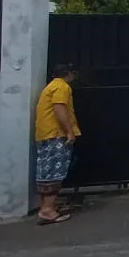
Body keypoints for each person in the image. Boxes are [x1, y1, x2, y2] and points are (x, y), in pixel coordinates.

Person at [34, 63, 81, 225]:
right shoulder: (62, 87)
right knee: (55, 171)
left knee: (46, 171)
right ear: (69, 73)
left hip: (46, 134)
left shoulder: (51, 87)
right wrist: (69, 131)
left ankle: (47, 206)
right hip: (56, 134)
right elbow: (60, 109)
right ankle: (47, 210)